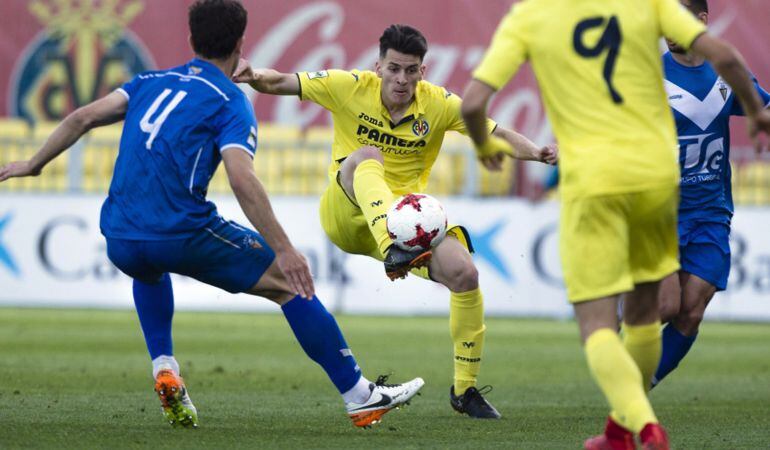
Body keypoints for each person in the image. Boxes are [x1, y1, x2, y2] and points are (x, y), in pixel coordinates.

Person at [0, 0, 424, 429]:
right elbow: (241, 178)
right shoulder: (229, 102)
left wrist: (33, 164)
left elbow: (83, 116)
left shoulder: (149, 81)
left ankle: (164, 365)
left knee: (147, 270)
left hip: (120, 235)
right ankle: (360, 396)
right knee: (290, 284)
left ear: (191, 39)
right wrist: (285, 248)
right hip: (180, 231)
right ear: (241, 42)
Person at [461, 0, 770, 448]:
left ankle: (631, 418)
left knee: (671, 312)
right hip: (657, 189)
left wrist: (481, 145)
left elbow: (474, 103)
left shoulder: (533, 18)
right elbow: (724, 54)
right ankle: (630, 420)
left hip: (683, 204)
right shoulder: (642, 22)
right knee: (657, 310)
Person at [233, 24, 557, 419]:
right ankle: (395, 248)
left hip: (405, 224)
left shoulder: (438, 104)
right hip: (346, 212)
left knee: (465, 274)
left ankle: (465, 389)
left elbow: (495, 131)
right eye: (394, 69)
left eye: (411, 70)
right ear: (379, 67)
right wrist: (252, 75)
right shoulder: (348, 85)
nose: (402, 79)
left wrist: (538, 152)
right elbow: (283, 81)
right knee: (366, 155)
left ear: (423, 71)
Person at [654, 0, 770, 388]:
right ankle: (610, 319)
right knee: (666, 307)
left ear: (702, 20)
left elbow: (763, 109)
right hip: (659, 213)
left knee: (691, 312)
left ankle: (636, 388)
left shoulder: (725, 74)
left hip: (711, 214)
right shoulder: (649, 75)